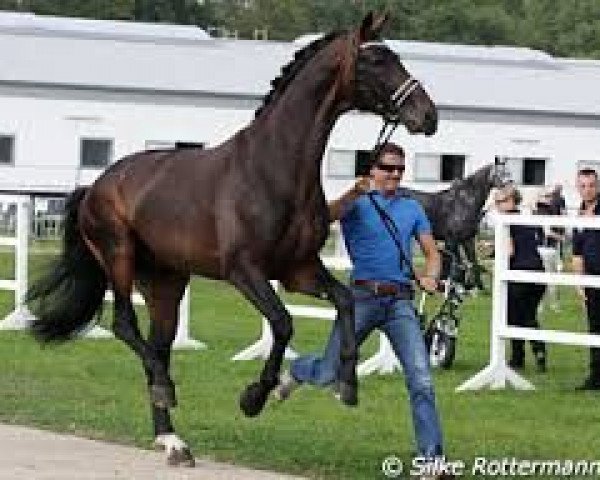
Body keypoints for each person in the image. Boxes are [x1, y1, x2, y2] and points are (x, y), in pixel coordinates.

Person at [275, 142, 448, 469]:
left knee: (422, 380)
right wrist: (352, 193)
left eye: (400, 168)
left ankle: (432, 461)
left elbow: (432, 253)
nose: (395, 174)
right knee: (328, 374)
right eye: (387, 168)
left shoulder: (412, 209)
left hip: (399, 302)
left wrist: (431, 276)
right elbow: (323, 217)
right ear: (372, 169)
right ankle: (300, 369)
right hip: (361, 299)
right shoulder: (358, 203)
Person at [494, 185, 547, 372]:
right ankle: (539, 353)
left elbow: (509, 250)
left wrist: (494, 253)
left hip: (519, 273)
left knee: (514, 317)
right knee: (529, 315)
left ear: (511, 201)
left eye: (500, 201)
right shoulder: (525, 217)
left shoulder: (505, 220)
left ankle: (518, 357)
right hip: (538, 272)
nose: (497, 206)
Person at [572, 168, 600, 390]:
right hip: (590, 278)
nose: (587, 190)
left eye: (591, 185)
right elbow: (577, 252)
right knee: (594, 327)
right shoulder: (579, 214)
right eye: (583, 186)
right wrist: (579, 282)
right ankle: (595, 376)